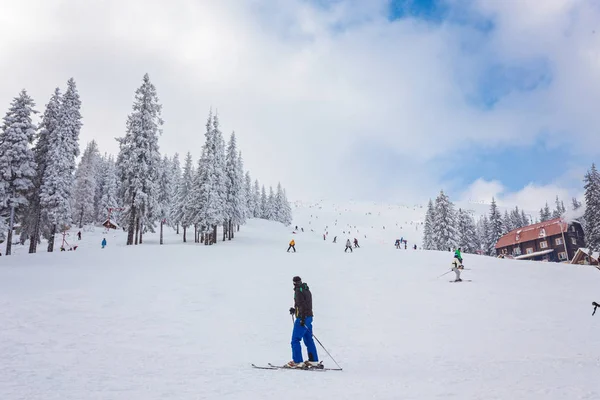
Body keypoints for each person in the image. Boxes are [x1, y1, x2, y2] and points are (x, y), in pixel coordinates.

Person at [288, 276, 319, 367]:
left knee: (295, 340)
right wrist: (295, 310)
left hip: (303, 318)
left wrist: (301, 318)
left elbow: (302, 305)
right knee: (308, 339)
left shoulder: (298, 291)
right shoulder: (306, 290)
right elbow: (305, 304)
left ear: (294, 283)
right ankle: (313, 360)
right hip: (309, 317)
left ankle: (297, 361)